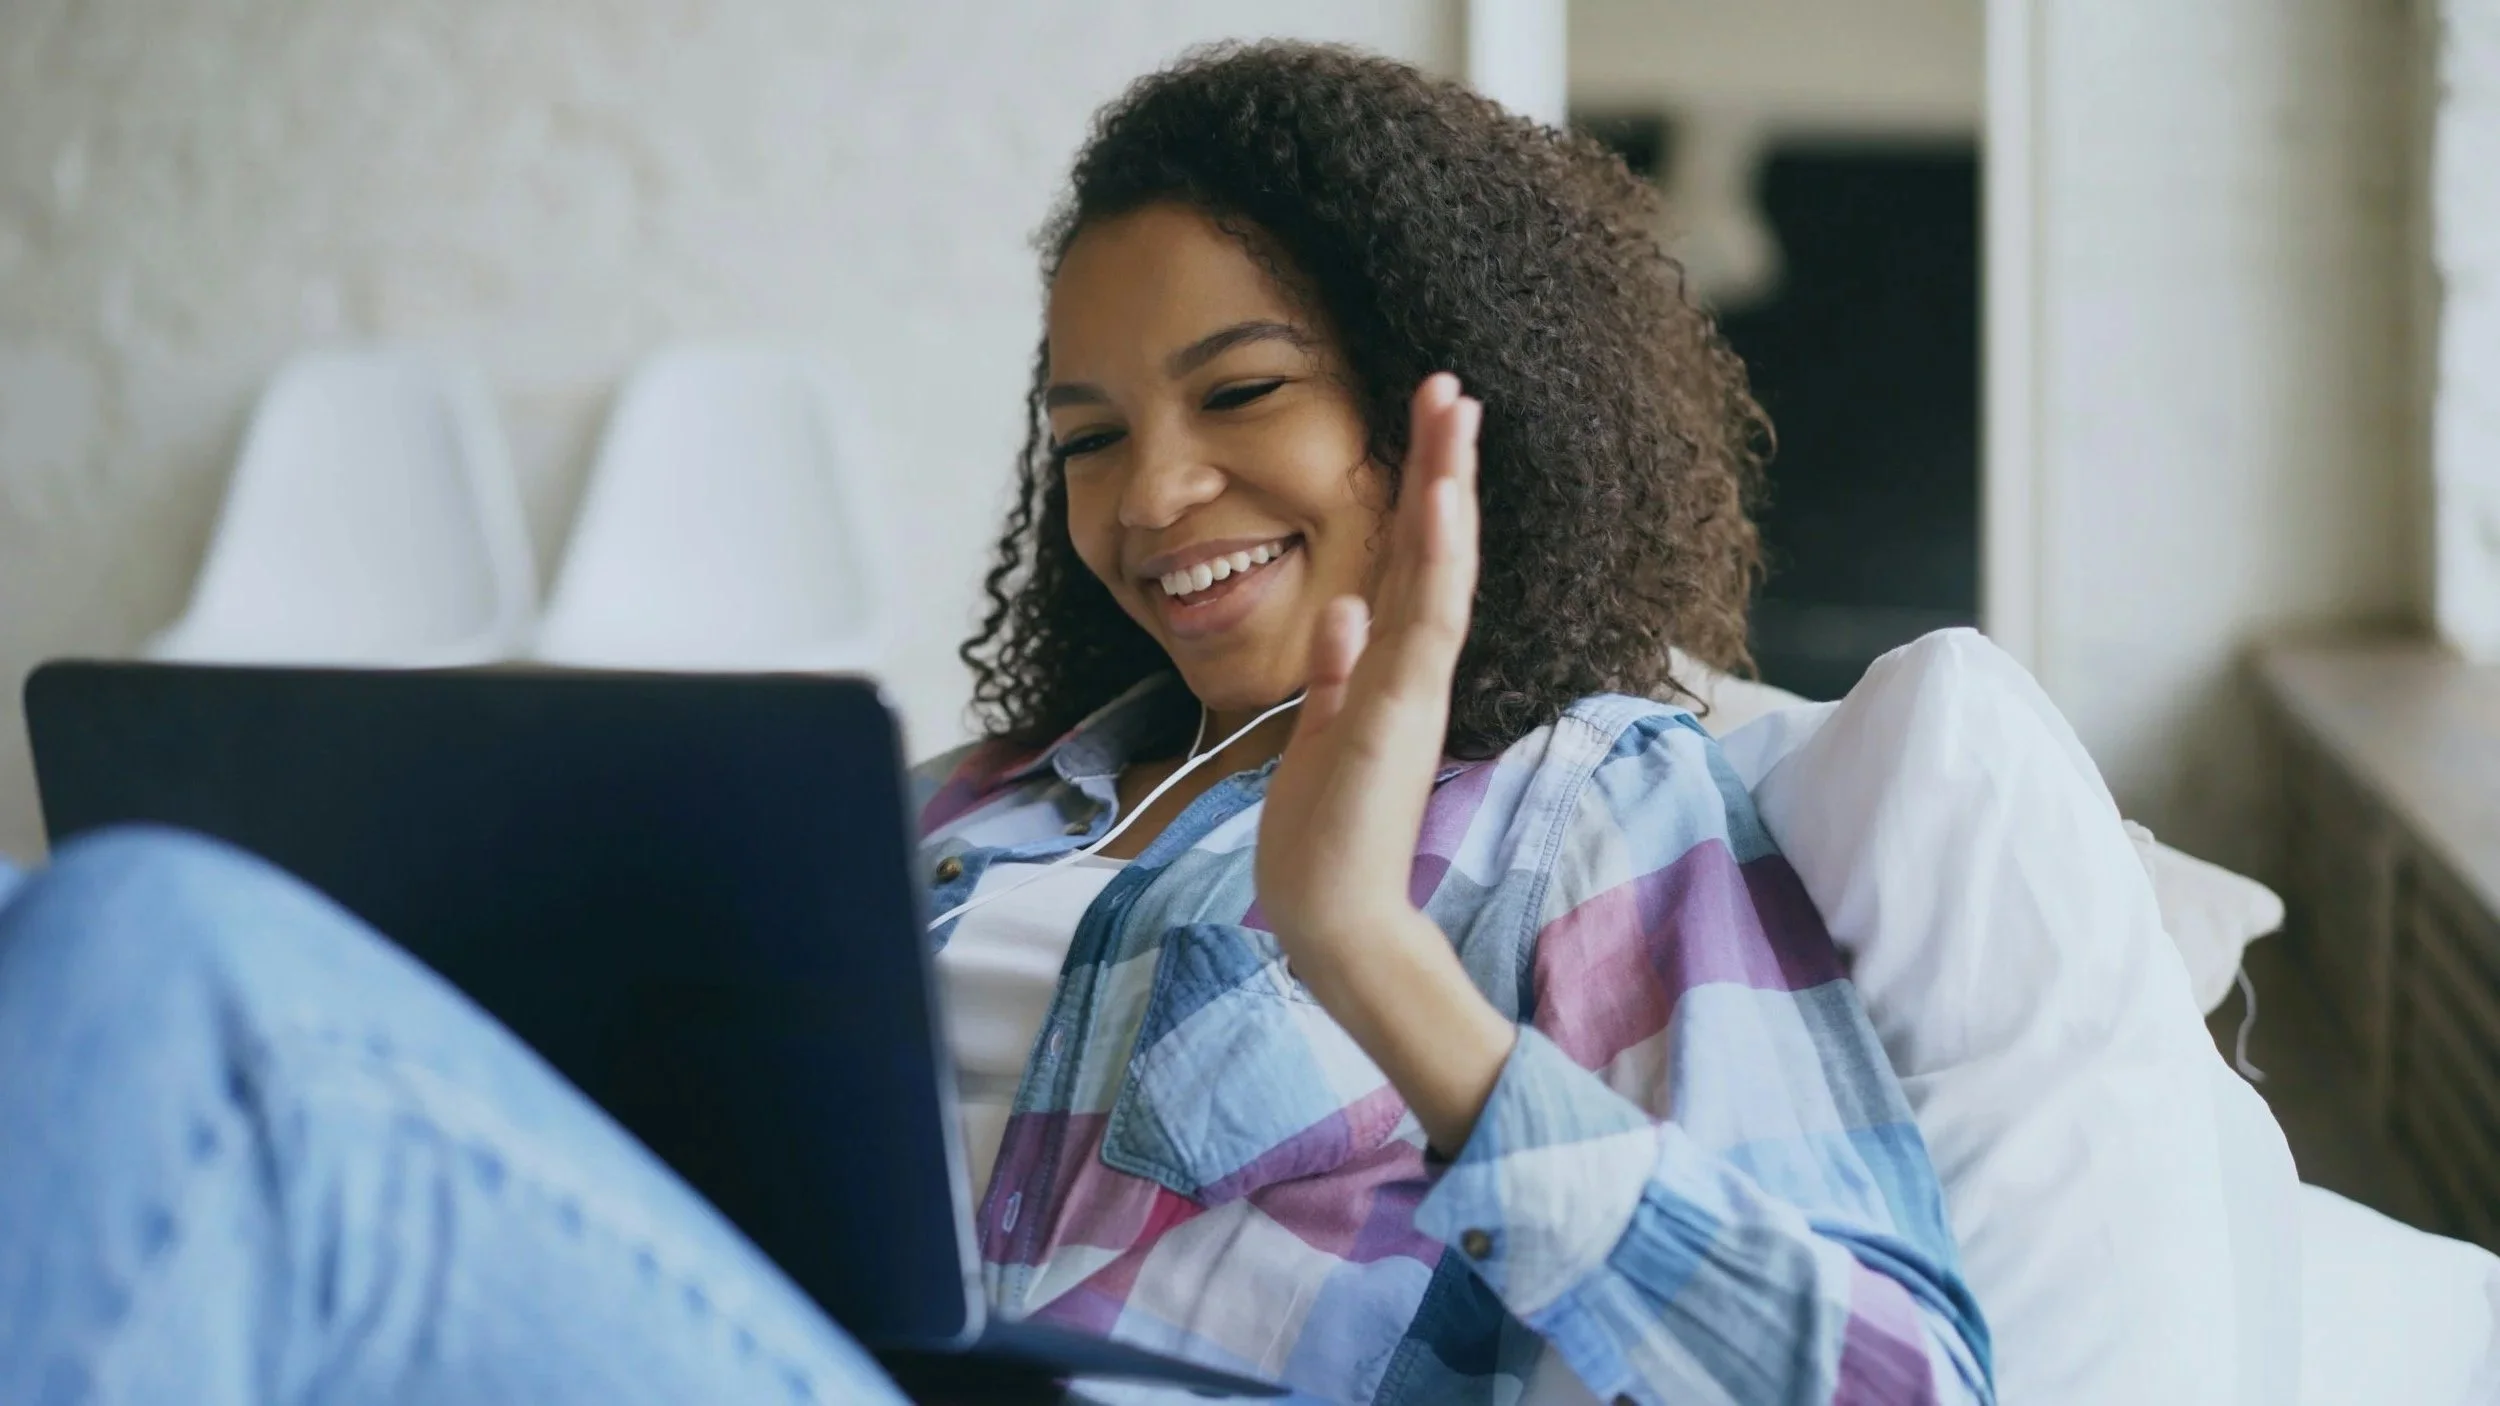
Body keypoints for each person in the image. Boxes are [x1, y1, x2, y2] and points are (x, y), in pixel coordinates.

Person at [0, 43, 1992, 1406]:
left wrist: (1369, 954)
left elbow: (1895, 1380)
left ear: (1424, 413)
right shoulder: (955, 814)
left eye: (1238, 396)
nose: (1147, 498)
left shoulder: (1595, 808)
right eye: (1090, 436)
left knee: (144, 950)